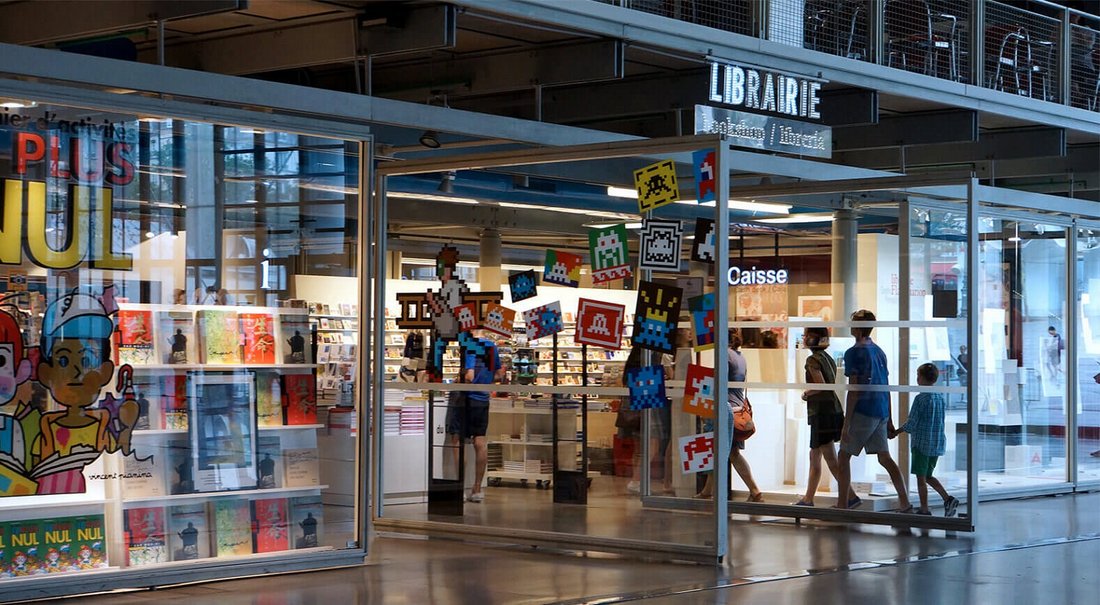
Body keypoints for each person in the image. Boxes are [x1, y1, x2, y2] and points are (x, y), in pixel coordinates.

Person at [835, 309, 912, 512]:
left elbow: (854, 390)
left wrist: (846, 423)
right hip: (880, 410)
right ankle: (904, 501)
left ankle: (843, 504)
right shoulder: (879, 351)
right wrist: (889, 418)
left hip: (864, 411)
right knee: (884, 457)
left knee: (843, 457)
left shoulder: (853, 353)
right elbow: (885, 386)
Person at [793, 327, 858, 507]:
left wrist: (806, 393)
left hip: (822, 412)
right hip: (831, 409)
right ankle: (808, 498)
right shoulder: (827, 358)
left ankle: (850, 497)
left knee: (829, 458)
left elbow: (820, 385)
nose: (804, 338)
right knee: (815, 456)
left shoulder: (812, 360)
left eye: (807, 335)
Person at [696, 332, 763, 502]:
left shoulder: (725, 356)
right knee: (730, 452)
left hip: (726, 409)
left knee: (720, 451)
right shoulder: (740, 357)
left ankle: (753, 490)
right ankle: (708, 491)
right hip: (738, 408)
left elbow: (718, 382)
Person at [891, 363, 959, 517]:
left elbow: (912, 423)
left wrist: (896, 432)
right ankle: (948, 499)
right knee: (928, 476)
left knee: (921, 479)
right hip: (936, 443)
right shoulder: (939, 398)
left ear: (921, 377)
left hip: (921, 444)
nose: (917, 378)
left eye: (918, 375)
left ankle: (924, 508)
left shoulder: (921, 398)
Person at [445, 329, 502, 503]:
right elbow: (500, 374)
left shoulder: (470, 345)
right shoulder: (492, 347)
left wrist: (459, 378)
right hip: (482, 399)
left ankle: (459, 486)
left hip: (466, 398)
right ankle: (477, 488)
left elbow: (469, 375)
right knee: (480, 441)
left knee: (457, 440)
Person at [621, 345, 673, 495]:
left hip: (639, 404)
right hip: (647, 399)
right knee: (652, 444)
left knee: (642, 447)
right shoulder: (649, 361)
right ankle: (636, 481)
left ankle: (637, 481)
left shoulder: (636, 361)